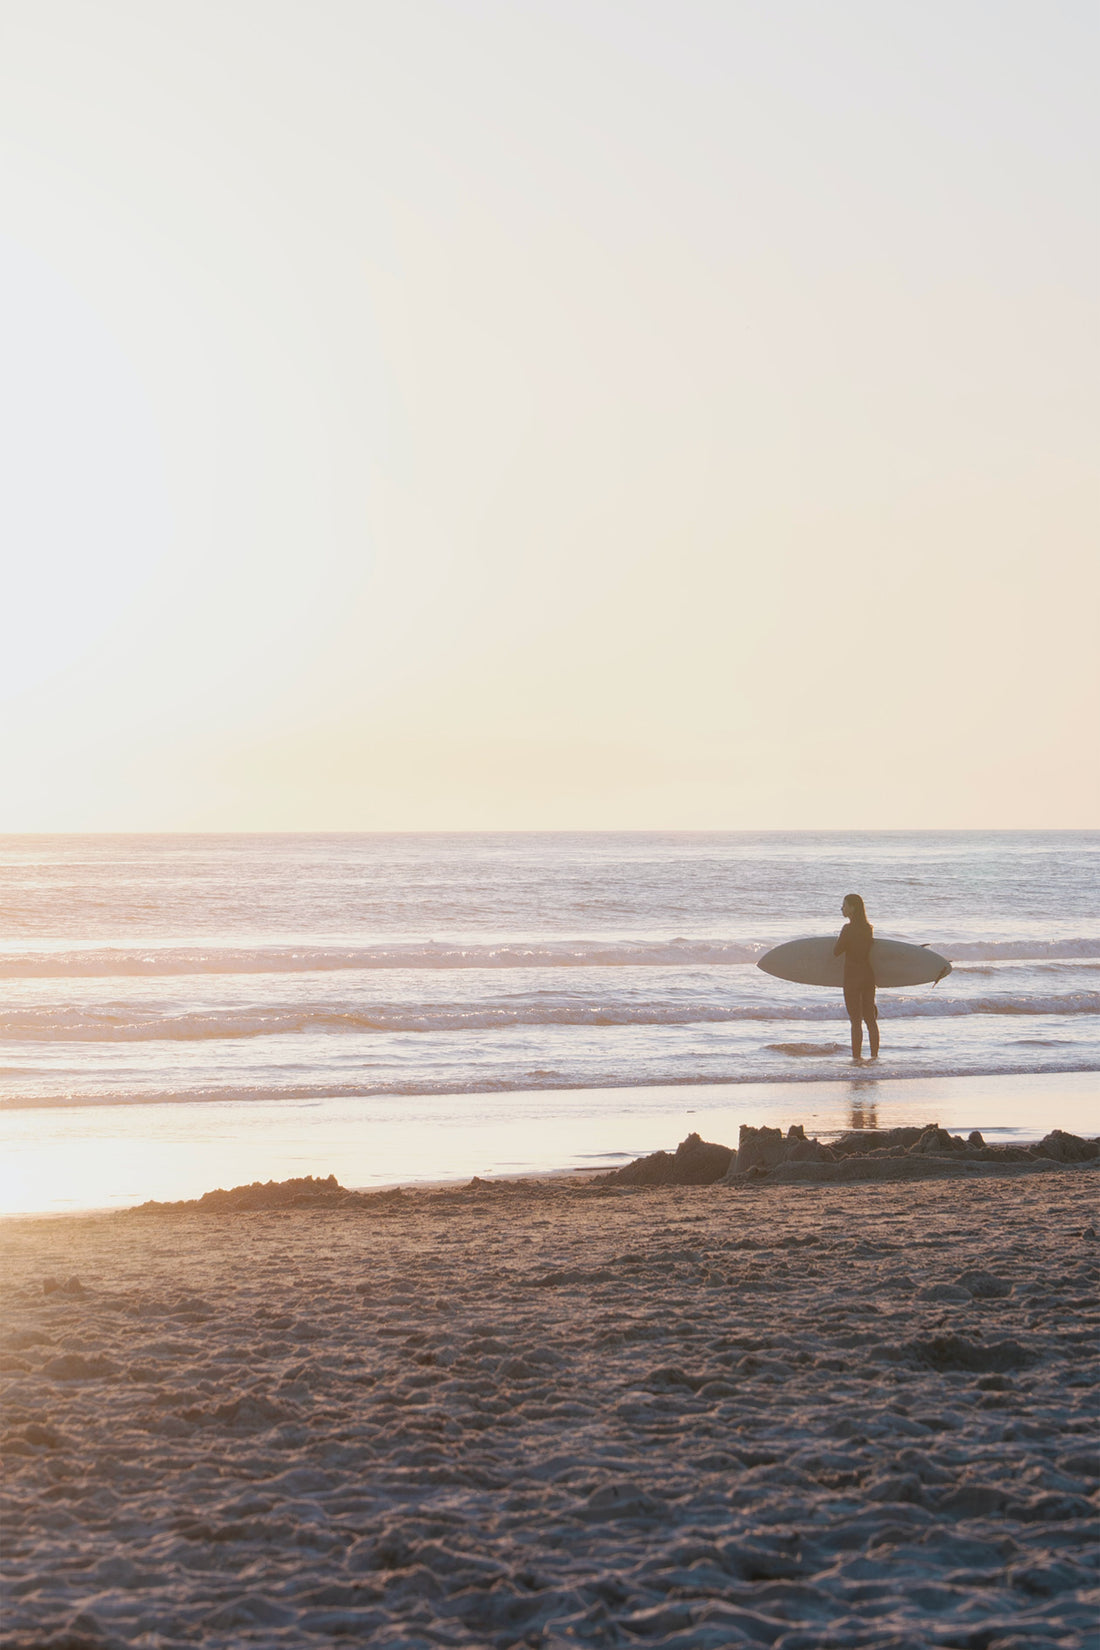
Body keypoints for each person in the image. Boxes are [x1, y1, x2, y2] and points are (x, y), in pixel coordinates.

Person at [834, 892, 879, 1062]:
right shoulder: (869, 928)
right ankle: (874, 1057)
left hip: (853, 977)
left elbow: (836, 951)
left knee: (855, 1021)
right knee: (870, 1020)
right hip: (868, 976)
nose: (842, 908)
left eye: (844, 905)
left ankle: (857, 1059)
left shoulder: (847, 929)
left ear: (852, 908)